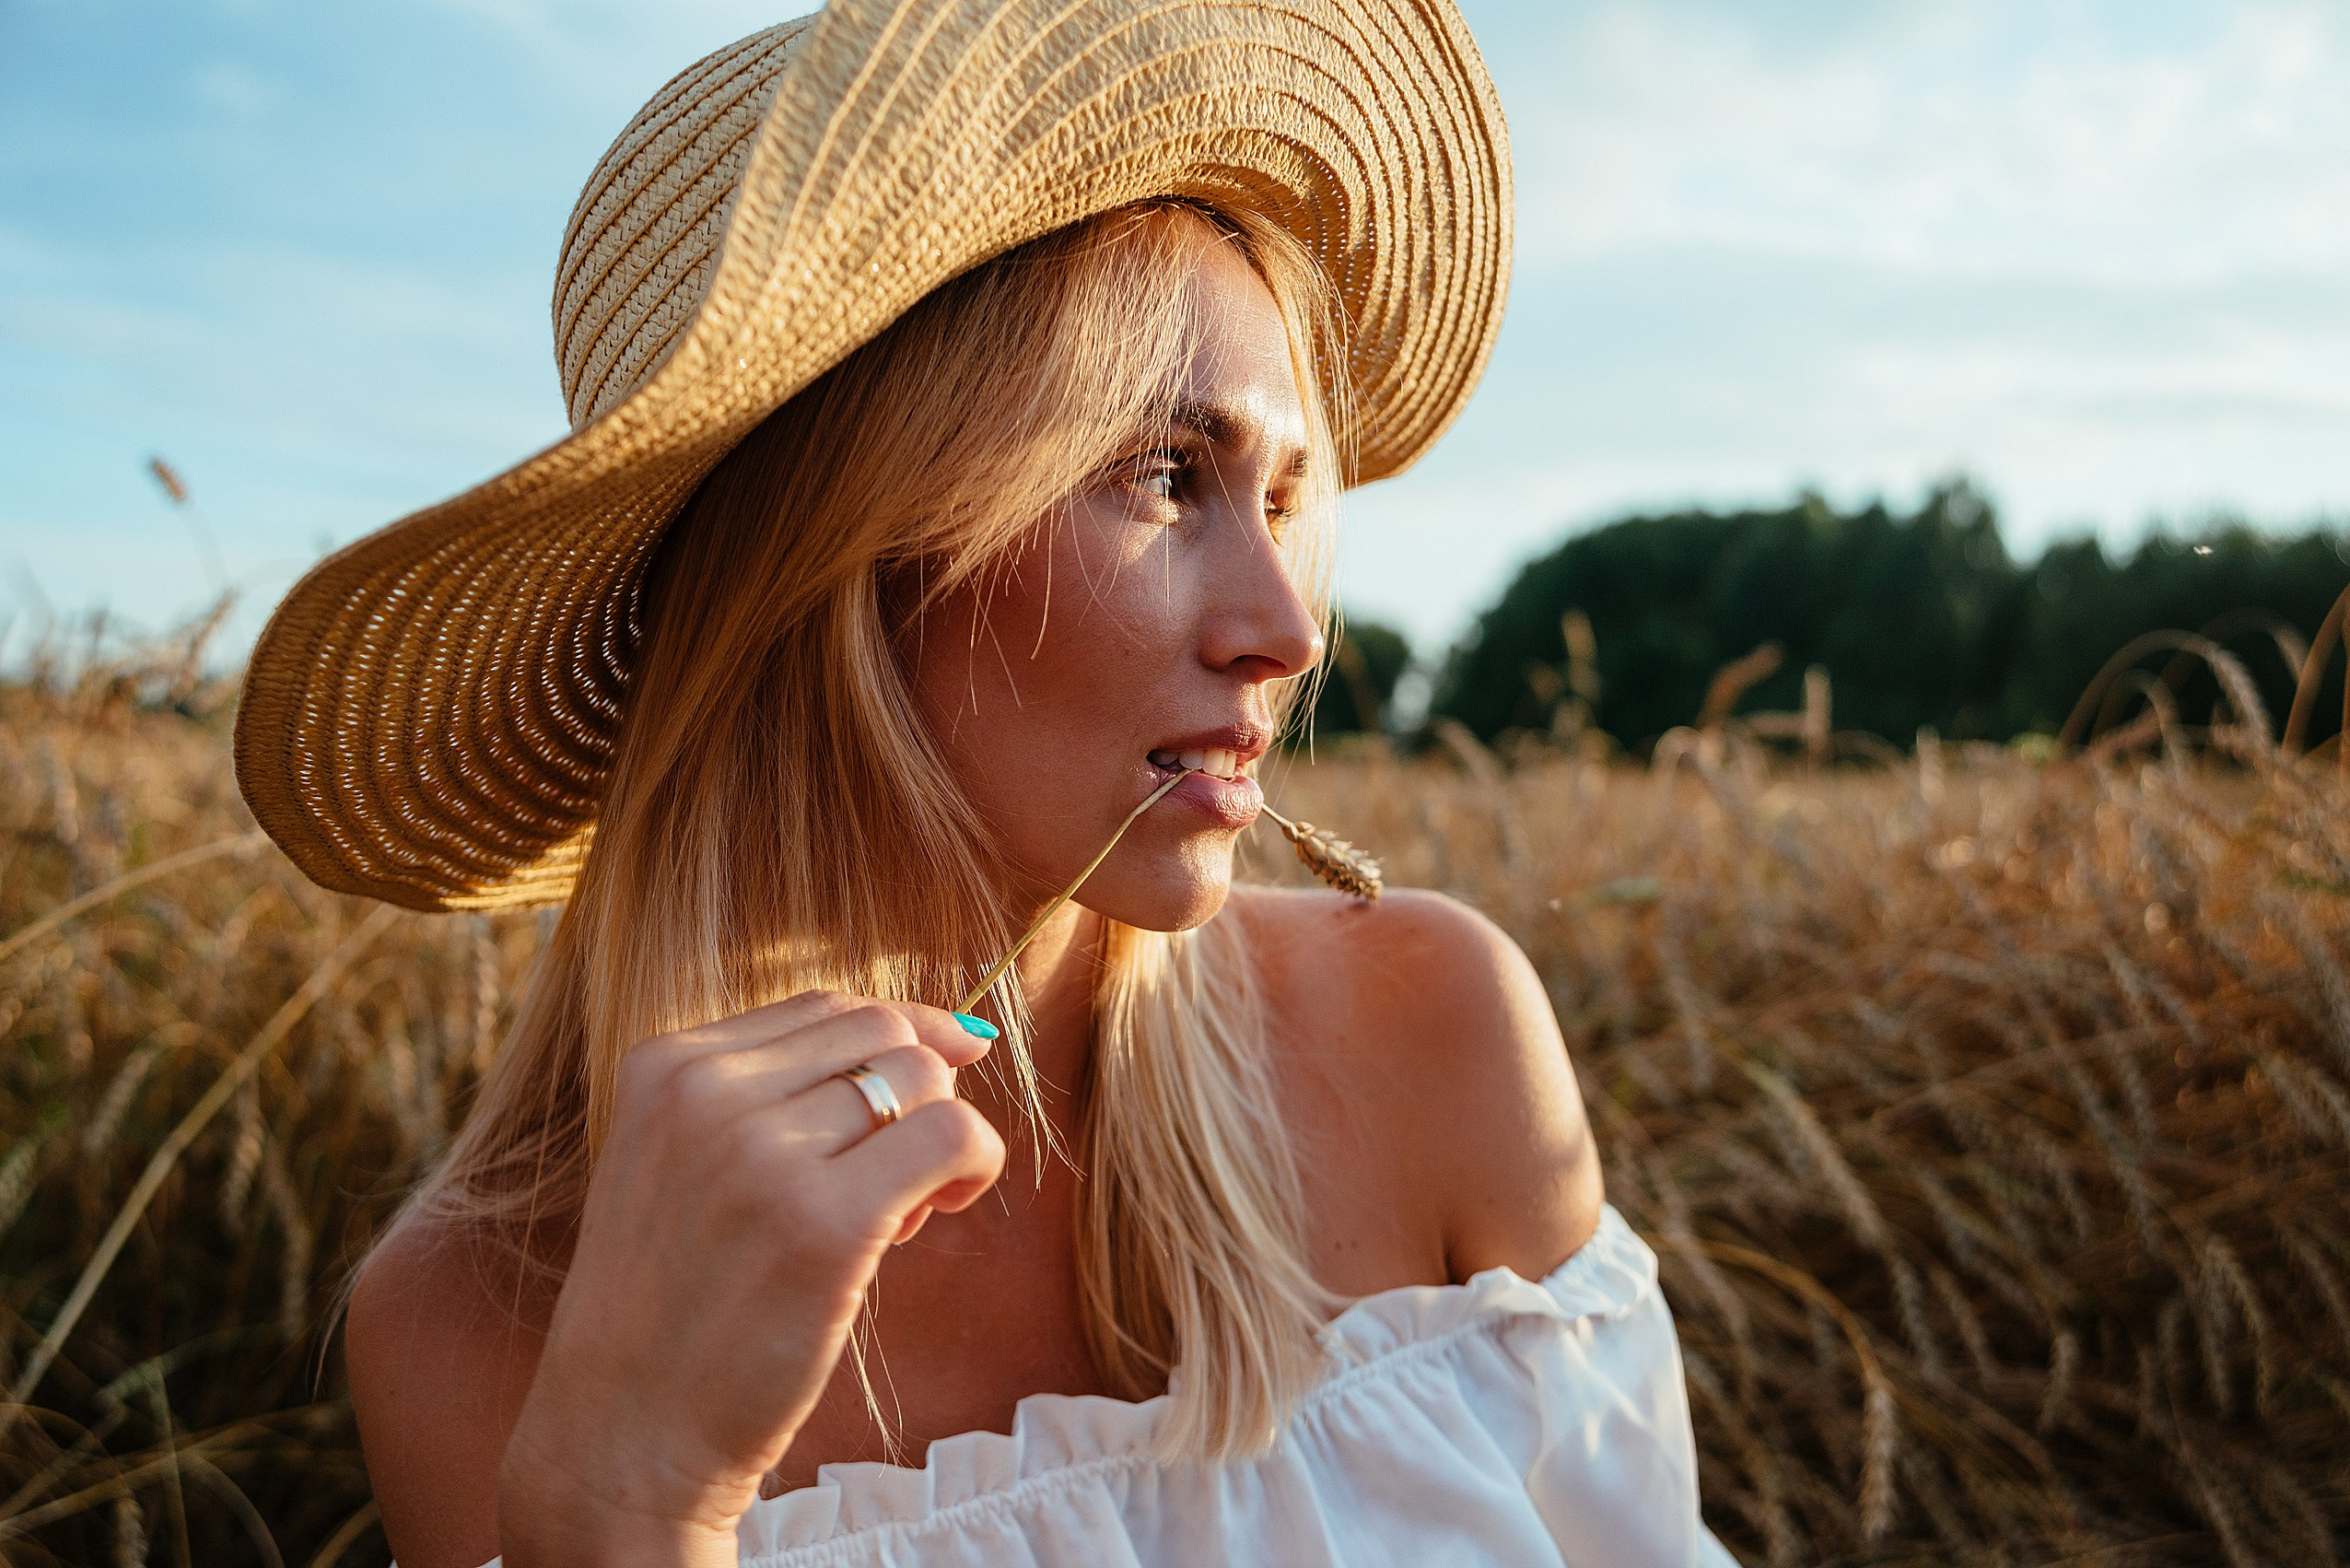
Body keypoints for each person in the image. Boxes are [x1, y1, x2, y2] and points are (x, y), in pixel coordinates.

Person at [233, 3, 1737, 1563]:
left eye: (1284, 497)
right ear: (847, 556)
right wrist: (625, 1506)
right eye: (1165, 476)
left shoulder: (1435, 1027)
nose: (1289, 630)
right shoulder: (484, 1315)